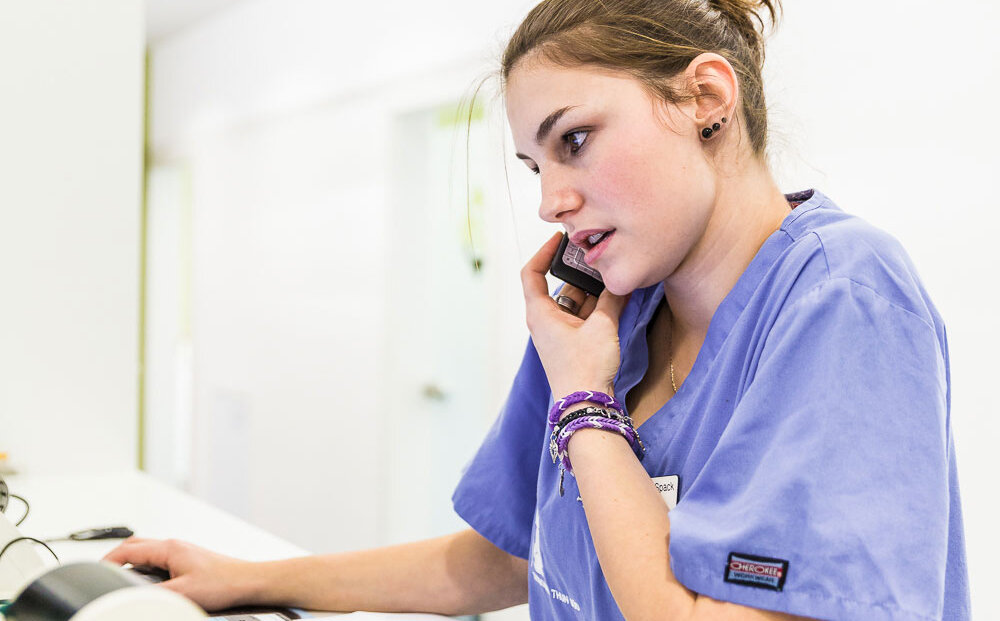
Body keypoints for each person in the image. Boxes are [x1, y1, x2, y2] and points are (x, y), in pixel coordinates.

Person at [105, 0, 971, 619]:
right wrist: (253, 579)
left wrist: (588, 406)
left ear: (706, 99)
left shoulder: (843, 298)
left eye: (577, 140)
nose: (554, 199)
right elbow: (507, 557)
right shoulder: (608, 313)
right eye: (534, 166)